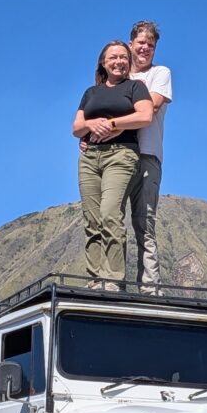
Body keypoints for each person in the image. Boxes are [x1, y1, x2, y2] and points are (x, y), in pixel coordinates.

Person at [72, 41, 153, 290]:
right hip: (89, 158)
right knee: (92, 219)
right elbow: (76, 128)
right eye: (113, 57)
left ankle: (113, 280)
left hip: (121, 155)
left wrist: (112, 124)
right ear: (103, 63)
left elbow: (145, 116)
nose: (119, 61)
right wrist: (92, 124)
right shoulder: (91, 92)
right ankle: (95, 279)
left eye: (123, 57)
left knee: (110, 213)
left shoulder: (135, 87)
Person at [128, 21, 172, 293]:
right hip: (117, 153)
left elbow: (150, 108)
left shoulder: (160, 73)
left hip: (148, 153)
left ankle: (149, 288)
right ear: (131, 43)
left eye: (151, 45)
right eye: (141, 43)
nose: (145, 48)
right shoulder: (117, 72)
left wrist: (111, 119)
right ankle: (110, 284)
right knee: (111, 220)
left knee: (145, 222)